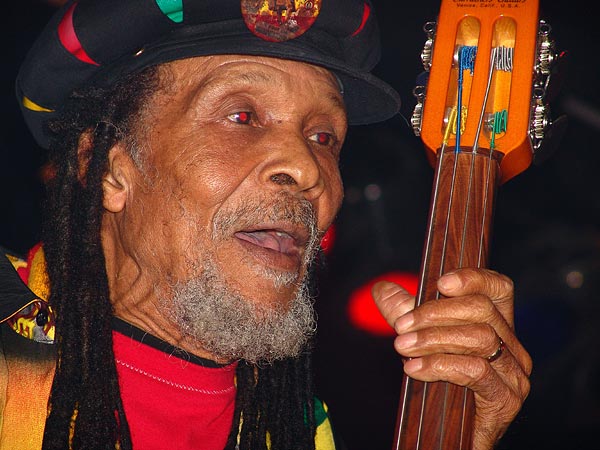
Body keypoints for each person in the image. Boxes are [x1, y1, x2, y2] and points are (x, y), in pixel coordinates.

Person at [0, 0, 532, 449]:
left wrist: (459, 434)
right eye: (242, 117)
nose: (306, 169)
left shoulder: (297, 430)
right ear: (106, 169)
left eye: (324, 137)